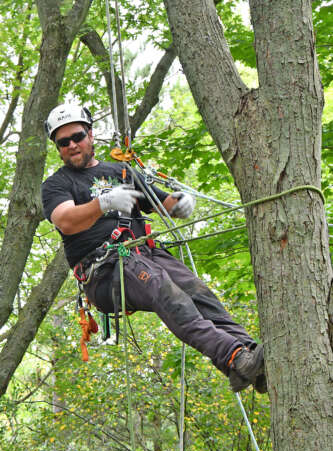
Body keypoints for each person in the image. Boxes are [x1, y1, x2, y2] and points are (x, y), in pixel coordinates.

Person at [42, 103, 267, 394]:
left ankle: (250, 356)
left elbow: (162, 203)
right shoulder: (57, 185)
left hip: (146, 254)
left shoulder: (122, 172)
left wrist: (180, 203)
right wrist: (103, 203)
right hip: (106, 271)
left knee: (199, 293)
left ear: (91, 135)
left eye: (78, 136)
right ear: (58, 148)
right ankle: (234, 357)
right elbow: (65, 221)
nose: (72, 145)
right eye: (63, 142)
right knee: (166, 292)